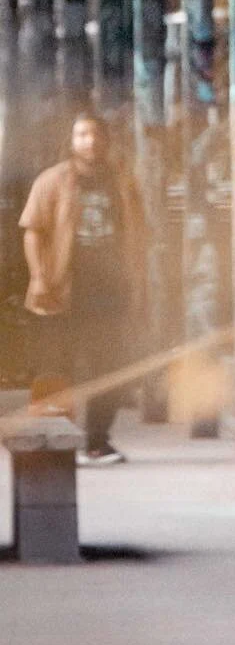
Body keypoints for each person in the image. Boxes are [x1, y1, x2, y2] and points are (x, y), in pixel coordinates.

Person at [19, 113, 147, 465]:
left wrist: (136, 283)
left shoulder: (121, 182)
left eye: (95, 134)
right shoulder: (53, 181)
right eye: (82, 134)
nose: (89, 141)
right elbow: (32, 230)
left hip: (109, 289)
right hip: (64, 289)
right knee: (58, 368)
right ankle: (53, 444)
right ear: (72, 140)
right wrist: (39, 276)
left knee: (109, 367)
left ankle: (96, 443)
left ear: (106, 139)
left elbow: (137, 236)